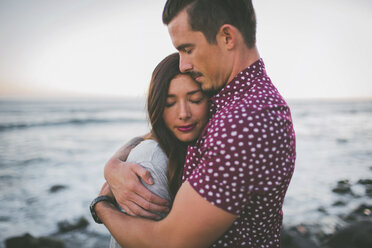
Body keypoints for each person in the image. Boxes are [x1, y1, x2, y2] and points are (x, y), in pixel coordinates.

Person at [95, 0, 296, 247]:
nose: (183, 64)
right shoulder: (230, 100)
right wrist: (113, 165)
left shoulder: (244, 120)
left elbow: (170, 242)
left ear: (226, 37)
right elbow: (161, 133)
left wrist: (101, 204)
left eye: (187, 49)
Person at [90, 52, 209, 247]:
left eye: (195, 99)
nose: (183, 114)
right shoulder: (150, 162)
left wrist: (100, 204)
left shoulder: (215, 143)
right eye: (170, 103)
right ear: (158, 107)